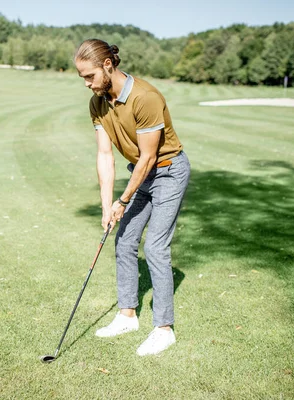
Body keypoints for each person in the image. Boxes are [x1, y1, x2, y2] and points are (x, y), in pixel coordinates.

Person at [74, 39, 191, 356]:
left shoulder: (145, 97)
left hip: (168, 171)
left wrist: (122, 201)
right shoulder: (98, 102)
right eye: (82, 77)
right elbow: (105, 156)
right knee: (123, 238)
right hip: (143, 173)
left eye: (89, 76)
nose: (86, 84)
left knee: (154, 245)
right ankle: (127, 316)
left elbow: (149, 158)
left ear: (107, 66)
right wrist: (105, 206)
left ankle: (164, 328)